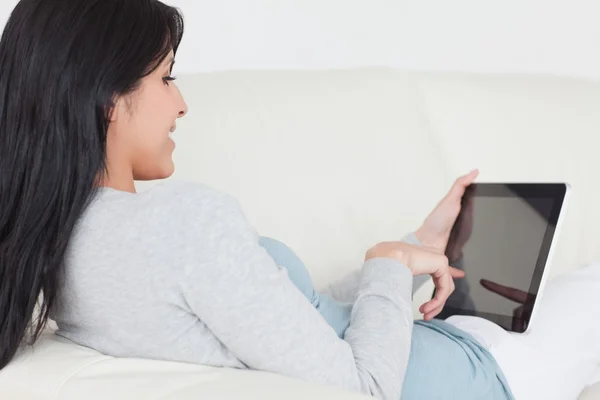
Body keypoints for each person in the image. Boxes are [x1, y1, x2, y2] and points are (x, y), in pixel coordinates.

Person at [0, 1, 598, 399]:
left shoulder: (61, 245)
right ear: (107, 96)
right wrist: (389, 265)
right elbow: (362, 389)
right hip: (467, 378)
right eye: (166, 77)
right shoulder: (182, 223)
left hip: (429, 346)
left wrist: (416, 246)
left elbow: (304, 319)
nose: (182, 104)